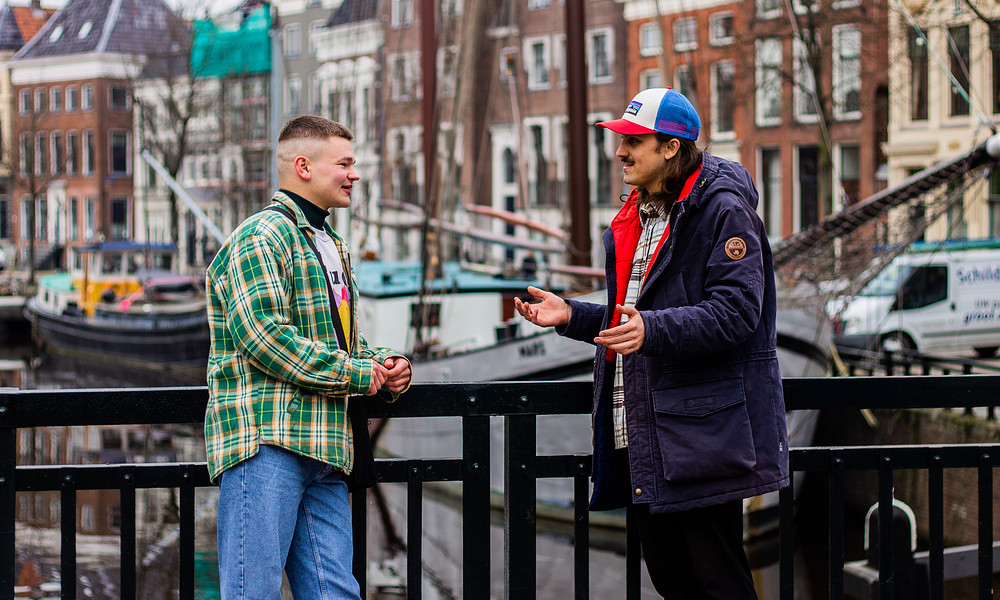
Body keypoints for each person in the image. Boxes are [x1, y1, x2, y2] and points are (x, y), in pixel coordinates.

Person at [514, 88, 787, 599]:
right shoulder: (642, 214)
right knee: (673, 582)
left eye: (634, 140)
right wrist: (572, 315)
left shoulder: (723, 211)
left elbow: (737, 313)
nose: (620, 152)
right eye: (621, 140)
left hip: (700, 438)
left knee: (717, 583)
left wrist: (652, 331)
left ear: (670, 148)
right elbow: (638, 318)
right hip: (647, 435)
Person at [205, 115, 412, 600]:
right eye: (344, 163)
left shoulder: (330, 244)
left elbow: (342, 344)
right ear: (303, 166)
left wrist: (385, 363)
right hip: (267, 445)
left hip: (325, 446)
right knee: (250, 592)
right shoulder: (261, 237)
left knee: (335, 593)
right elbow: (265, 338)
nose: (354, 174)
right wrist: (362, 374)